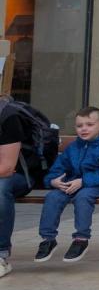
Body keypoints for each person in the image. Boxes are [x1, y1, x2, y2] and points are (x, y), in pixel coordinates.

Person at [35, 107, 99, 264]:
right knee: (53, 197)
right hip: (74, 183)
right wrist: (53, 181)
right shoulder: (74, 147)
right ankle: (48, 239)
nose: (84, 129)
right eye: (79, 125)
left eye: (89, 124)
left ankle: (81, 239)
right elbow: (57, 169)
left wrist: (83, 181)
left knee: (83, 197)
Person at [0, 95, 39, 278]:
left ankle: (1, 255)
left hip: (20, 175)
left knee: (0, 189)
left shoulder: (8, 115)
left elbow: (7, 168)